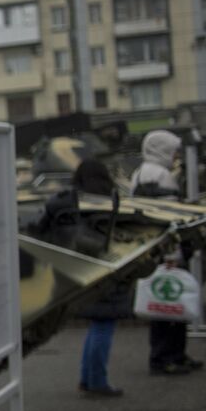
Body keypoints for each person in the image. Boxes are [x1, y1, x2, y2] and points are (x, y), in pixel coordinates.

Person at [129, 130, 199, 375]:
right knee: (167, 307)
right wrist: (173, 255)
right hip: (167, 251)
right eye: (174, 150)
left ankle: (174, 355)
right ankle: (164, 358)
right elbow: (166, 218)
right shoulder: (159, 174)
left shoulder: (140, 173)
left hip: (153, 249)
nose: (177, 155)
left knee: (167, 306)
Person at [73, 159, 127, 397]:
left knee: (96, 326)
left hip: (85, 269)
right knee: (103, 327)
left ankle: (88, 377)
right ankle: (97, 381)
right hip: (107, 269)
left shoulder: (74, 198)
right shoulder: (108, 198)